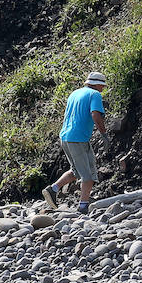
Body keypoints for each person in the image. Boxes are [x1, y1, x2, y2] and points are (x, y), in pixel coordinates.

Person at [42, 71, 109, 215]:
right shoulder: (95, 95)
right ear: (97, 84)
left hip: (65, 136)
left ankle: (53, 189)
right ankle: (83, 206)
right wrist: (103, 134)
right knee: (88, 174)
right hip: (78, 138)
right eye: (102, 86)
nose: (103, 89)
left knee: (76, 170)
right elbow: (95, 114)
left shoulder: (75, 93)